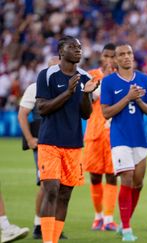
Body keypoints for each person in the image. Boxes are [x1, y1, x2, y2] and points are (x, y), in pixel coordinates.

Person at [36, 36, 98, 243]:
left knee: (64, 194)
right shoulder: (47, 75)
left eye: (80, 47)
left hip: (73, 144)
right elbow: (42, 108)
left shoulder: (85, 76)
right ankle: (47, 240)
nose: (79, 50)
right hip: (50, 141)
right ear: (61, 52)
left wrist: (84, 95)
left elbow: (86, 114)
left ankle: (53, 239)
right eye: (73, 47)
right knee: (51, 189)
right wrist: (69, 92)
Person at [100, 43, 147, 242]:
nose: (126, 57)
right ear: (115, 59)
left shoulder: (144, 79)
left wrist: (138, 100)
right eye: (121, 54)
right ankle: (128, 230)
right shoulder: (108, 82)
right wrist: (128, 97)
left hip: (140, 138)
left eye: (129, 53)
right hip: (120, 138)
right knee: (127, 179)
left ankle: (124, 223)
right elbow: (106, 113)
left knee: (138, 184)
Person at [17, 56, 61, 239]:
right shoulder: (35, 88)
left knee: (59, 187)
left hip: (63, 142)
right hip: (43, 142)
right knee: (46, 184)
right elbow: (22, 114)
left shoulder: (67, 86)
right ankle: (38, 225)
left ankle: (53, 226)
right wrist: (29, 139)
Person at [82, 43, 118, 231]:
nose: (109, 59)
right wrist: (92, 92)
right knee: (95, 176)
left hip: (114, 133)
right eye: (107, 55)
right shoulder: (91, 75)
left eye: (113, 56)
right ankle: (97, 217)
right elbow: (83, 101)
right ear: (102, 56)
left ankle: (109, 217)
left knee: (112, 175)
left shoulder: (121, 78)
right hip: (95, 131)